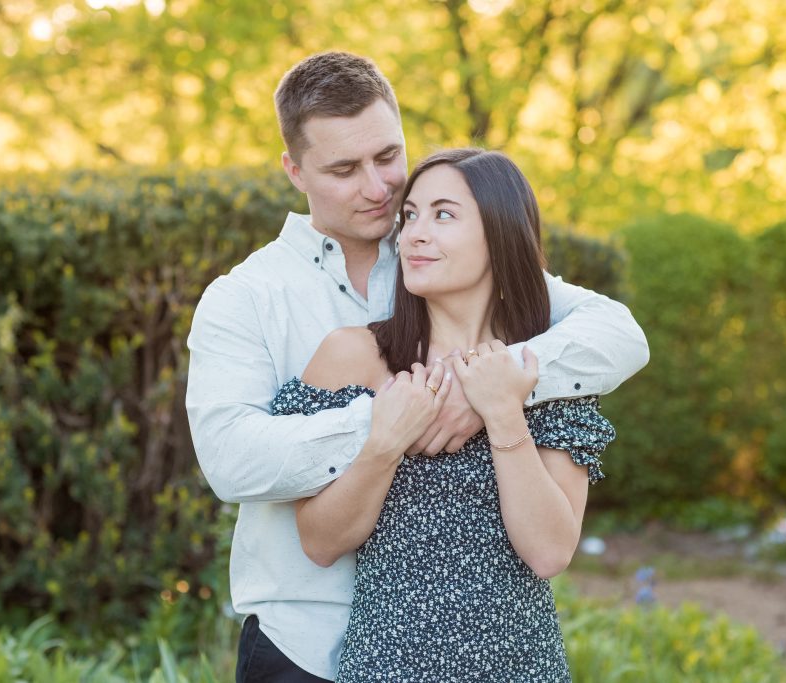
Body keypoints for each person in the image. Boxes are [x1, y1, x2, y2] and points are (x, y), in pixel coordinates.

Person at [185, 51, 648, 683]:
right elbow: (231, 460)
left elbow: (617, 335)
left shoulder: (460, 264)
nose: (378, 189)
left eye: (387, 157)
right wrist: (388, 424)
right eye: (345, 169)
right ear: (294, 170)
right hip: (303, 637)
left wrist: (492, 386)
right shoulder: (247, 298)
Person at [275, 148, 614, 682]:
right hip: (387, 667)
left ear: (500, 235)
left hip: (521, 668)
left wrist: (503, 413)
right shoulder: (353, 358)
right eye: (410, 215)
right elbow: (320, 542)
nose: (413, 234)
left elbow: (550, 552)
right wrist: (385, 444)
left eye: (444, 215)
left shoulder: (546, 369)